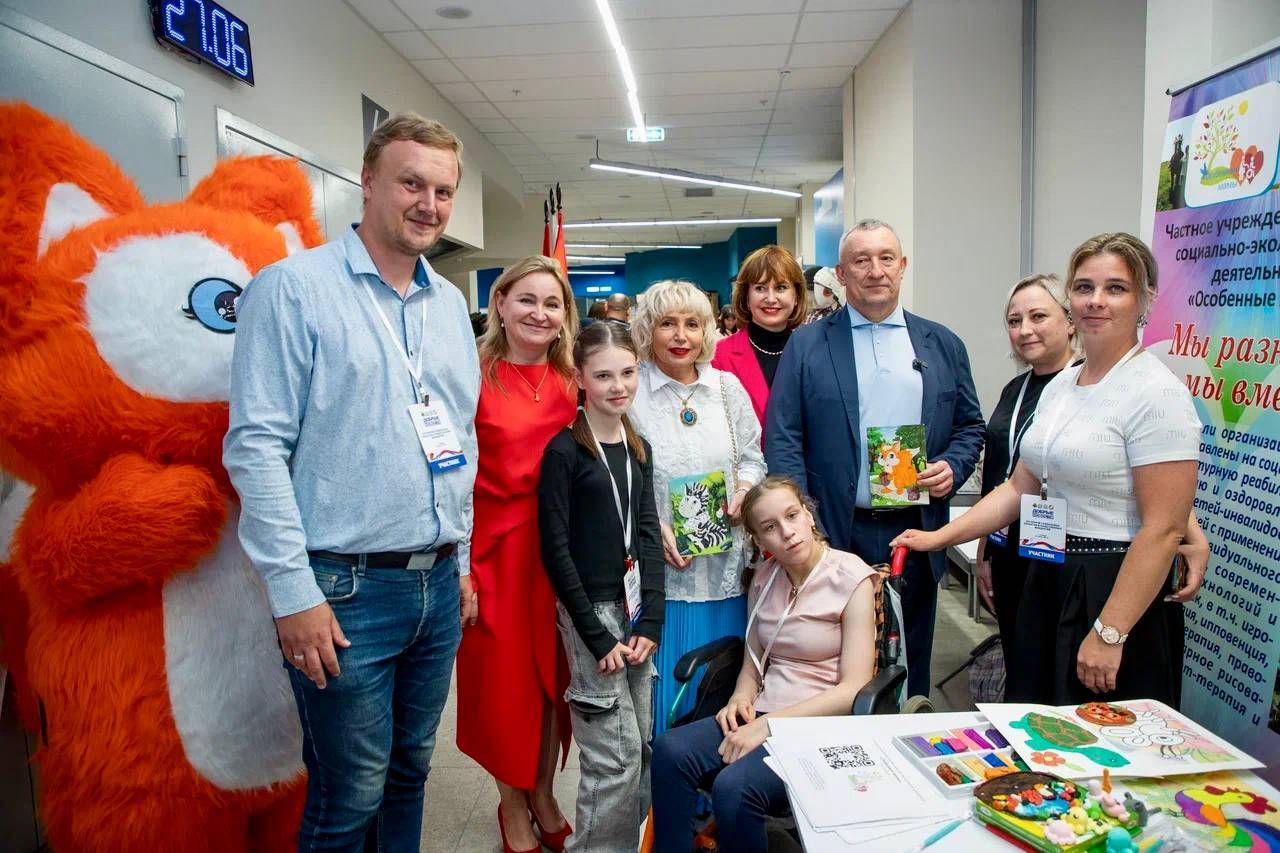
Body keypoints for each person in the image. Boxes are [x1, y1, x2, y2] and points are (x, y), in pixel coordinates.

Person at [225, 112, 478, 851]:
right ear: (367, 182)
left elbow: (458, 440)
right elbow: (256, 448)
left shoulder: (449, 309)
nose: (428, 204)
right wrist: (292, 591)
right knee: (349, 794)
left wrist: (460, 559)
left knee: (409, 772)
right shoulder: (292, 290)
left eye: (443, 191)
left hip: (436, 583)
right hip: (342, 591)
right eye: (411, 184)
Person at [893, 232, 1203, 705]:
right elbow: (1019, 486)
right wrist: (938, 538)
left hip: (1112, 585)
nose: (1096, 301)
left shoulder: (1157, 393)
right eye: (1084, 287)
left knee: (1098, 735)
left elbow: (1163, 528)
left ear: (1144, 299)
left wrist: (1110, 632)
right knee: (1037, 721)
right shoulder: (1063, 385)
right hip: (1049, 574)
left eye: (1115, 288)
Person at [765, 219, 985, 700]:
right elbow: (783, 436)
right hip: (835, 529)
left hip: (918, 528)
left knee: (911, 656)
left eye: (886, 258)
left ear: (902, 266)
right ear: (842, 274)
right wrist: (804, 520)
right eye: (861, 261)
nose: (875, 270)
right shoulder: (807, 345)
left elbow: (971, 426)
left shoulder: (942, 344)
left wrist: (953, 465)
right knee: (837, 662)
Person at [651, 476, 877, 851]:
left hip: (819, 724)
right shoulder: (764, 578)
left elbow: (853, 689)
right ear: (758, 540)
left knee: (733, 788)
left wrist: (768, 726)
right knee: (669, 750)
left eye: (792, 515)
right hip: (762, 712)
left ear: (808, 515)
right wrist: (740, 697)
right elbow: (753, 660)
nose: (787, 533)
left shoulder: (851, 577)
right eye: (770, 527)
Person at [456, 255, 578, 853]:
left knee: (554, 680)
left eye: (552, 303)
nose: (539, 313)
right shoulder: (469, 376)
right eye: (526, 299)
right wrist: (461, 569)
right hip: (495, 554)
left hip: (560, 554)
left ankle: (544, 792)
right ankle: (511, 803)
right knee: (505, 687)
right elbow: (450, 478)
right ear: (500, 303)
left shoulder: (574, 381)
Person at [537, 321, 665, 853]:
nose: (618, 386)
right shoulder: (564, 452)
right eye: (604, 375)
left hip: (633, 615)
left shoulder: (638, 447)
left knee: (640, 751)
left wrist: (651, 618)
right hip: (592, 617)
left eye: (628, 373)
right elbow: (555, 550)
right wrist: (595, 636)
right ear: (580, 379)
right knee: (613, 758)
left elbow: (649, 533)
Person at [629, 279, 766, 734]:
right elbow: (619, 478)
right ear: (648, 329)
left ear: (706, 331)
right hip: (662, 579)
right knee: (666, 707)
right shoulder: (632, 394)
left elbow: (753, 458)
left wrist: (744, 491)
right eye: (667, 323)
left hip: (728, 574)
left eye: (692, 324)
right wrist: (653, 526)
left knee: (724, 700)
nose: (680, 335)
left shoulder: (727, 389)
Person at [974, 274, 1078, 658]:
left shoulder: (1087, 387)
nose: (1025, 330)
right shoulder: (1014, 390)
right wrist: (984, 554)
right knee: (1020, 661)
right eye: (1014, 321)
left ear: (1070, 321)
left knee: (1055, 661)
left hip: (1064, 553)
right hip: (1009, 547)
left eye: (1038, 316)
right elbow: (996, 474)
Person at [711, 245, 809, 425]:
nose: (770, 298)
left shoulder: (813, 353)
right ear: (746, 297)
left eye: (781, 287)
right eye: (760, 288)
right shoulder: (719, 356)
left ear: (796, 297)